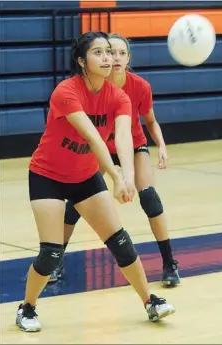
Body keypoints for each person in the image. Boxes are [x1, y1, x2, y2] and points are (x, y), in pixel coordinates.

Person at [16, 31, 175, 332]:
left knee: (121, 242)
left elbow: (125, 136)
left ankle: (149, 301)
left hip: (85, 176)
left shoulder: (119, 96)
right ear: (81, 60)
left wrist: (128, 177)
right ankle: (27, 307)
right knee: (50, 253)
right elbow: (91, 136)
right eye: (99, 53)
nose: (108, 58)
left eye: (110, 52)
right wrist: (114, 176)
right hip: (47, 175)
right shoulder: (67, 91)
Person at [50, 33, 180, 287]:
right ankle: (55, 260)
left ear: (128, 58)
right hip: (99, 148)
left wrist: (161, 145)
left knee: (150, 198)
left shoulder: (139, 87)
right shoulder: (93, 84)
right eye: (111, 52)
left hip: (132, 145)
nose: (115, 57)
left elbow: (149, 121)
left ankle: (169, 263)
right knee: (76, 203)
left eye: (121, 53)